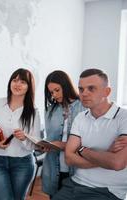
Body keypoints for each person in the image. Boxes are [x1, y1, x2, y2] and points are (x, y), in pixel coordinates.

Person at [52, 68, 127, 200]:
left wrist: (81, 150)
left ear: (107, 91)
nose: (84, 93)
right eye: (81, 89)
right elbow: (69, 158)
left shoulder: (124, 118)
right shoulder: (80, 118)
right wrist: (105, 156)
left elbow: (117, 163)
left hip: (107, 191)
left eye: (91, 88)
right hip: (75, 184)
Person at [0, 68, 41, 200]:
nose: (17, 84)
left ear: (29, 87)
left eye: (23, 82)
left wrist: (24, 138)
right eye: (15, 80)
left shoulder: (33, 112)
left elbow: (35, 144)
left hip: (22, 164)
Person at [41, 70, 85, 198]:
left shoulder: (83, 107)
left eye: (57, 90)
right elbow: (50, 138)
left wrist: (63, 145)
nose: (54, 95)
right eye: (51, 92)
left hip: (77, 171)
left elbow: (89, 141)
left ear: (66, 86)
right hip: (54, 170)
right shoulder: (50, 110)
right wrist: (43, 145)